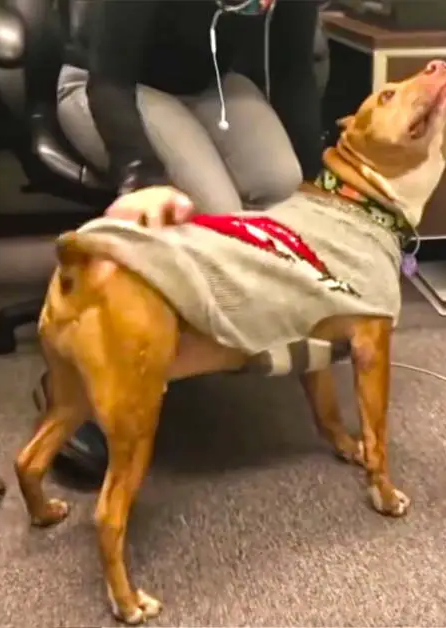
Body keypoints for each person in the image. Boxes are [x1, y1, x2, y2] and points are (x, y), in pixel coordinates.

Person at [46, 0, 326, 484]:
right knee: (219, 218)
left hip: (205, 86)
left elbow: (293, 70)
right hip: (110, 86)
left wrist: (318, 187)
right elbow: (108, 81)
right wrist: (143, 177)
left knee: (284, 185)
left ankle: (228, 334)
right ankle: (84, 375)